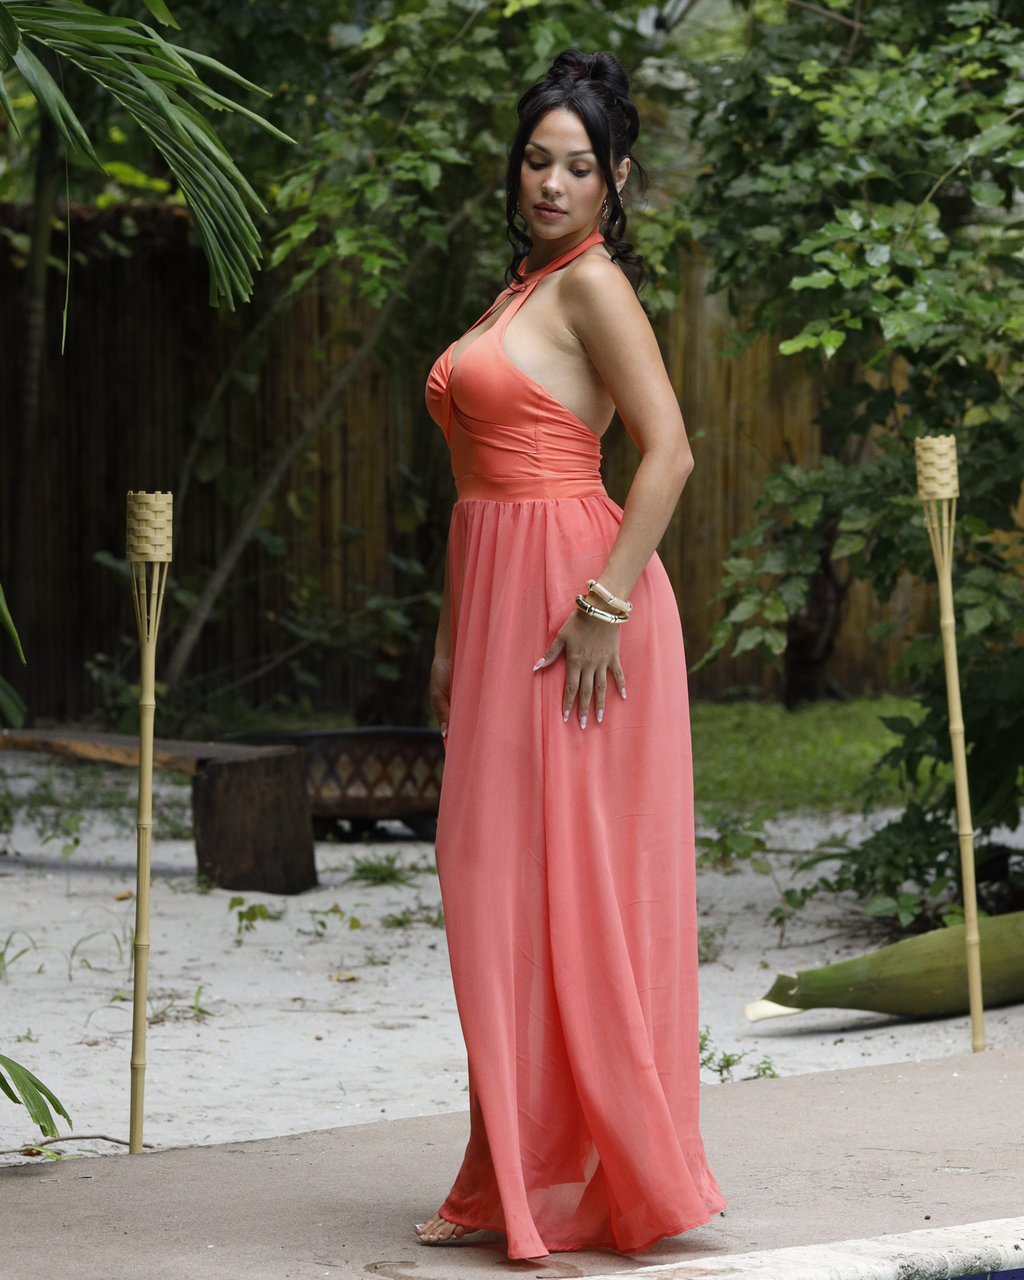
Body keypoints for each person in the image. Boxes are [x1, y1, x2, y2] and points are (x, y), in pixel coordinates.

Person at [418, 48, 725, 1261]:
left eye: (577, 165)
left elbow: (671, 453)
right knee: (492, 886)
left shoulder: (592, 285)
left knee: (563, 899)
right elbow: (470, 486)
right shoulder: (521, 286)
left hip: (578, 617)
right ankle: (511, 1167)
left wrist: (600, 603)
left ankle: (581, 1174)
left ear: (615, 181)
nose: (552, 182)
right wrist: (449, 640)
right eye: (537, 160)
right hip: (500, 611)